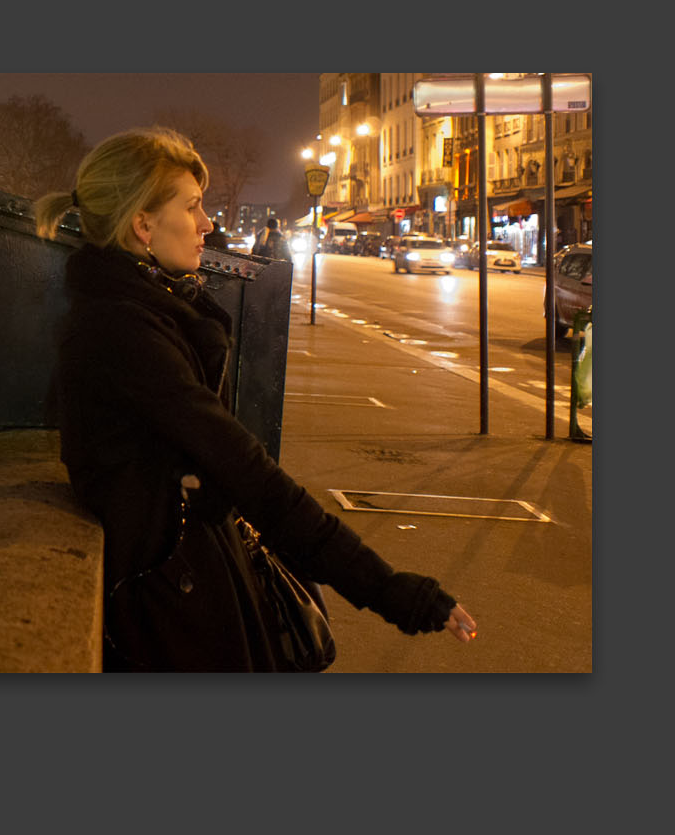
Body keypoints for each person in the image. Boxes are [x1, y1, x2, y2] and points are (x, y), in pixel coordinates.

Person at [35, 127, 476, 671]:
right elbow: (252, 475)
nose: (208, 224)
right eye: (193, 207)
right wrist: (390, 590)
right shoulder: (124, 332)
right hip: (172, 610)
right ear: (143, 225)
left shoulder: (132, 308)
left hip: (172, 584)